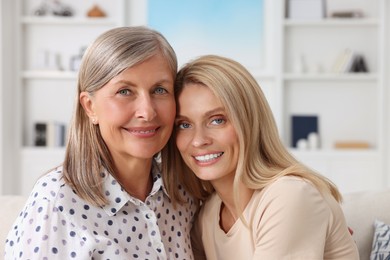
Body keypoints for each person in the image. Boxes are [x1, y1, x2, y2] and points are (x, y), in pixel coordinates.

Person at [5, 26, 196, 259]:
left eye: (159, 89)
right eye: (125, 91)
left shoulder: (183, 195)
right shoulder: (56, 200)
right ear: (90, 106)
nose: (147, 111)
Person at [170, 54, 359, 259]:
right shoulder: (207, 215)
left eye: (217, 120)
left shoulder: (289, 195)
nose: (198, 140)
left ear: (250, 122)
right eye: (184, 124)